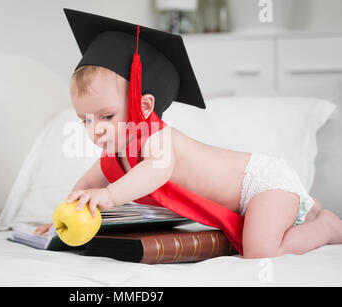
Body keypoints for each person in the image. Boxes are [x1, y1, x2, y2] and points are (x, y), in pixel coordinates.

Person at [35, 8, 342, 258]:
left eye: (106, 116)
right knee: (259, 238)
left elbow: (155, 171)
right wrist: (60, 217)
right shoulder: (116, 155)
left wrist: (109, 195)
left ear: (143, 106)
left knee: (259, 251)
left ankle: (326, 226)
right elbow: (86, 184)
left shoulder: (159, 140)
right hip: (250, 200)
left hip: (261, 184)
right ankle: (307, 208)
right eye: (85, 120)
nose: (95, 129)